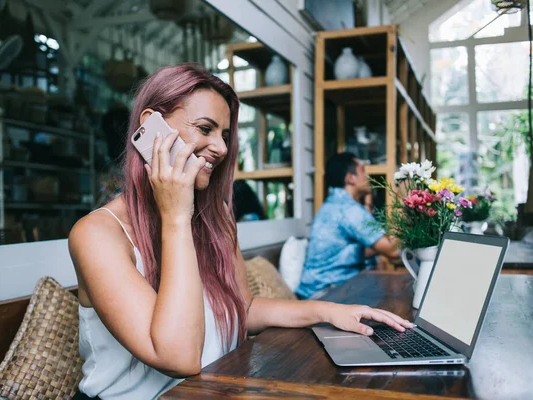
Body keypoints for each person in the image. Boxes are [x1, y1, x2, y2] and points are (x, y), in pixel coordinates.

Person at [68, 65, 413, 400]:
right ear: (151, 126)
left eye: (226, 135)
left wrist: (327, 311)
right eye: (205, 129)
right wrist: (175, 217)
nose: (220, 147)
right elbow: (178, 357)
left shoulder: (216, 214)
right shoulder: (97, 234)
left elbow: (242, 309)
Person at [296, 153, 400, 300]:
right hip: (324, 293)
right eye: (362, 171)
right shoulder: (348, 209)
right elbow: (393, 251)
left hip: (318, 289)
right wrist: (402, 199)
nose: (367, 177)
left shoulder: (335, 203)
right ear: (350, 178)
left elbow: (349, 251)